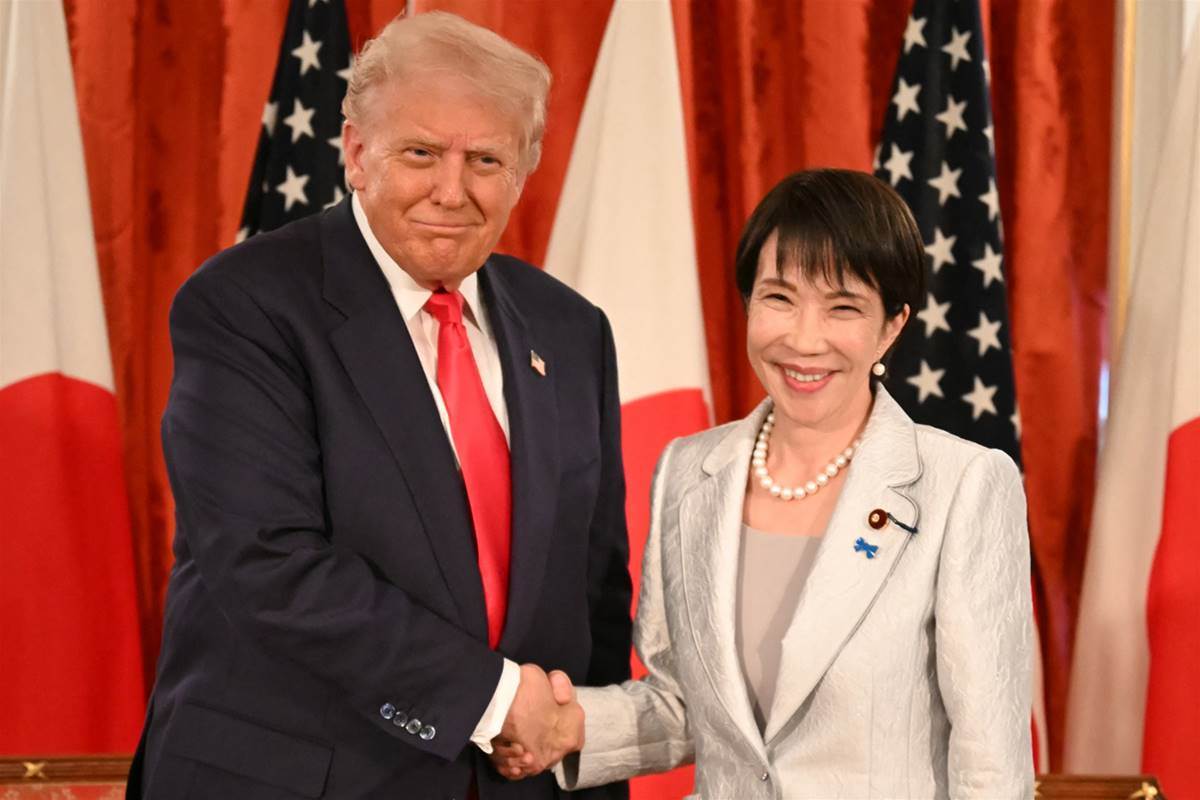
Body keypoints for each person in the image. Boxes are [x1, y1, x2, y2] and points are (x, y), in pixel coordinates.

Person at [126, 11, 632, 799]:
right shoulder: (246, 304)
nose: (451, 191)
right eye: (421, 153)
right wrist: (498, 701)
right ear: (357, 153)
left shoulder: (570, 330)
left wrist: (580, 760)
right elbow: (268, 563)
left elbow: (593, 591)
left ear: (523, 172)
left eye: (486, 160)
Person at [493, 169, 1034, 798]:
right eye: (779, 298)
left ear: (892, 326)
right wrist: (569, 727)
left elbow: (991, 768)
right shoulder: (688, 471)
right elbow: (686, 706)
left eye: (843, 307)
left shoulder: (964, 486)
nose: (803, 339)